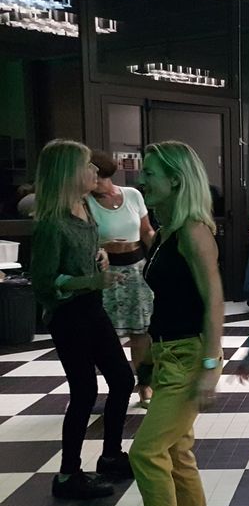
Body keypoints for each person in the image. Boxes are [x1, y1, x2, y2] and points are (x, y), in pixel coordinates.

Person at [130, 141, 224, 506]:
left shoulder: (193, 231)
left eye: (149, 173)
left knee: (146, 452)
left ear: (175, 179)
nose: (141, 180)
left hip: (190, 356)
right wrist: (150, 356)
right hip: (170, 353)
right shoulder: (167, 231)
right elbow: (167, 300)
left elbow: (214, 299)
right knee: (175, 449)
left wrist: (210, 366)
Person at [31, 139, 135, 500]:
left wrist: (100, 255)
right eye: (87, 165)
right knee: (85, 391)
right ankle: (68, 475)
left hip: (92, 308)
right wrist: (90, 280)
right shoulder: (52, 223)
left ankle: (110, 456)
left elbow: (81, 253)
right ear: (67, 173)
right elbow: (43, 282)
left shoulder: (84, 209)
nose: (94, 171)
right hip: (68, 315)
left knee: (122, 379)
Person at [87, 150, 157, 408]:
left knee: (142, 333)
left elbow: (146, 231)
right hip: (106, 273)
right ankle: (112, 386)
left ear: (104, 174)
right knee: (107, 335)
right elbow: (84, 239)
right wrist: (101, 247)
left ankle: (145, 385)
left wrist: (160, 255)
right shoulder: (85, 202)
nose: (92, 182)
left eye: (95, 177)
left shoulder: (132, 195)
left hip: (137, 268)